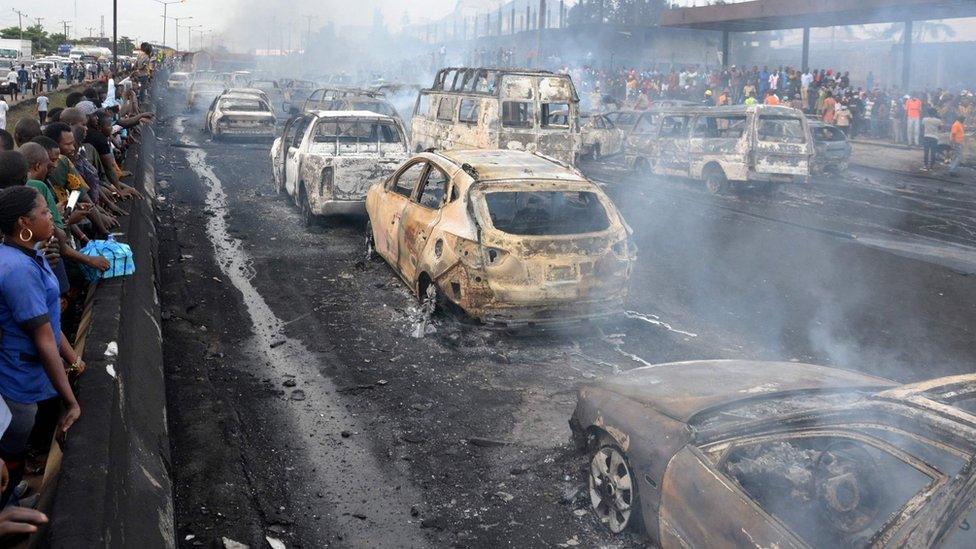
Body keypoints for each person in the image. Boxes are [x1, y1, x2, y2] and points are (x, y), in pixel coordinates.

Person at [0, 185, 84, 508]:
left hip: (25, 373)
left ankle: (12, 492)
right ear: (24, 222)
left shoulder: (28, 253)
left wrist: (73, 359)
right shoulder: (18, 270)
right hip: (18, 380)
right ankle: (8, 508)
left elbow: (49, 320)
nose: (52, 216)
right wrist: (71, 401)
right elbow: (44, 339)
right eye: (45, 213)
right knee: (12, 442)